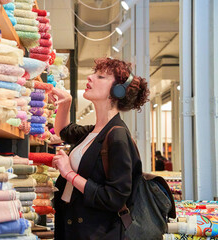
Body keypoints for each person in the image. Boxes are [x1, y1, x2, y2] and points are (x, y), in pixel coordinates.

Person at [50, 58, 150, 239]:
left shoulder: (117, 137)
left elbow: (114, 197)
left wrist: (68, 173)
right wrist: (66, 102)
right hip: (72, 225)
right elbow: (64, 131)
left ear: (117, 91)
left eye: (101, 77)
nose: (90, 77)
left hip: (95, 232)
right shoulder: (94, 131)